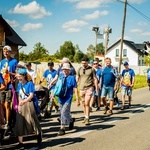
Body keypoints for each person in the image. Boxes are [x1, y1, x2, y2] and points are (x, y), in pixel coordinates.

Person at [14, 68, 42, 149]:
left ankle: (38, 134)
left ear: (24, 76)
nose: (18, 78)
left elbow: (31, 95)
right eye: (18, 76)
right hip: (22, 104)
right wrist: (19, 104)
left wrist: (25, 101)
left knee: (32, 120)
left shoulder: (29, 84)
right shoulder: (19, 84)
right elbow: (19, 95)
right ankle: (20, 142)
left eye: (20, 76)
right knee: (19, 122)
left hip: (29, 104)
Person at [55, 63, 80, 136]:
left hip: (68, 97)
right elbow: (57, 86)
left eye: (66, 69)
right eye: (63, 69)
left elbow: (75, 88)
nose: (64, 71)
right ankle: (71, 120)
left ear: (69, 70)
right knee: (64, 112)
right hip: (61, 97)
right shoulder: (61, 77)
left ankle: (62, 128)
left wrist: (77, 98)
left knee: (63, 112)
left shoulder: (72, 78)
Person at [0, 45, 18, 129]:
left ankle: (8, 122)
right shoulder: (2, 62)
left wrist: (10, 73)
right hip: (2, 85)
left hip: (10, 86)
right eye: (4, 51)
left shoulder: (14, 61)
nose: (5, 53)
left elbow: (17, 74)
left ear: (10, 52)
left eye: (7, 51)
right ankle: (3, 120)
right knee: (2, 104)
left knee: (7, 105)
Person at [76, 57, 98, 125]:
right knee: (83, 103)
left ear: (87, 62)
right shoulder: (79, 69)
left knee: (87, 103)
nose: (83, 64)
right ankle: (85, 116)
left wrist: (96, 87)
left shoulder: (91, 69)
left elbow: (95, 79)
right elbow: (77, 78)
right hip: (81, 88)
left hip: (89, 88)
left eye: (85, 63)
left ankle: (87, 118)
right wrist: (75, 85)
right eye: (82, 63)